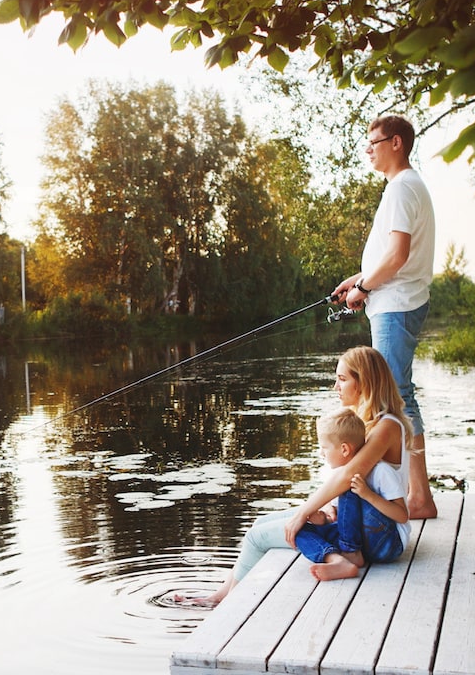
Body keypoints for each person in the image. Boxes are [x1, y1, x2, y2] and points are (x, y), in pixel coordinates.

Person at [177, 346, 414, 607]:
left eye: (343, 379)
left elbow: (348, 476)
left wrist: (304, 512)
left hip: (385, 534)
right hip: (365, 527)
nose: (336, 385)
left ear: (364, 382)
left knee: (263, 536)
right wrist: (322, 510)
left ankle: (226, 604)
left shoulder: (386, 425)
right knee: (260, 524)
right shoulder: (360, 421)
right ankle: (220, 596)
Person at [333, 114, 438, 520]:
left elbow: (398, 257)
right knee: (398, 395)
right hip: (395, 298)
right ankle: (417, 494)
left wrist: (366, 288)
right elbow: (390, 258)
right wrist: (358, 280)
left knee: (394, 397)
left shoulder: (401, 188)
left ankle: (418, 497)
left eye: (374, 142)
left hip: (396, 302)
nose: (368, 149)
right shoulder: (407, 187)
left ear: (396, 142)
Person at [294, 407, 410, 581]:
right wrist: (323, 520)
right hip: (359, 544)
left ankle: (350, 553)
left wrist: (368, 495)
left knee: (349, 485)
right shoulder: (338, 477)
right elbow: (343, 520)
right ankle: (335, 559)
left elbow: (402, 516)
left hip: (388, 544)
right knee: (297, 529)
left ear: (344, 449)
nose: (321, 453)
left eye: (324, 447)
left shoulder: (380, 472)